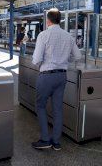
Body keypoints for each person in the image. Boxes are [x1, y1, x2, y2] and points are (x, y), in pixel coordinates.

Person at [31, 8, 82, 151]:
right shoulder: (68, 36)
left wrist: (39, 63)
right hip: (62, 76)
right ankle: (56, 142)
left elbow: (36, 59)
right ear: (59, 20)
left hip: (46, 75)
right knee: (58, 108)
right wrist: (65, 60)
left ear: (48, 20)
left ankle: (45, 139)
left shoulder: (43, 35)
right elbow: (77, 56)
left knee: (40, 106)